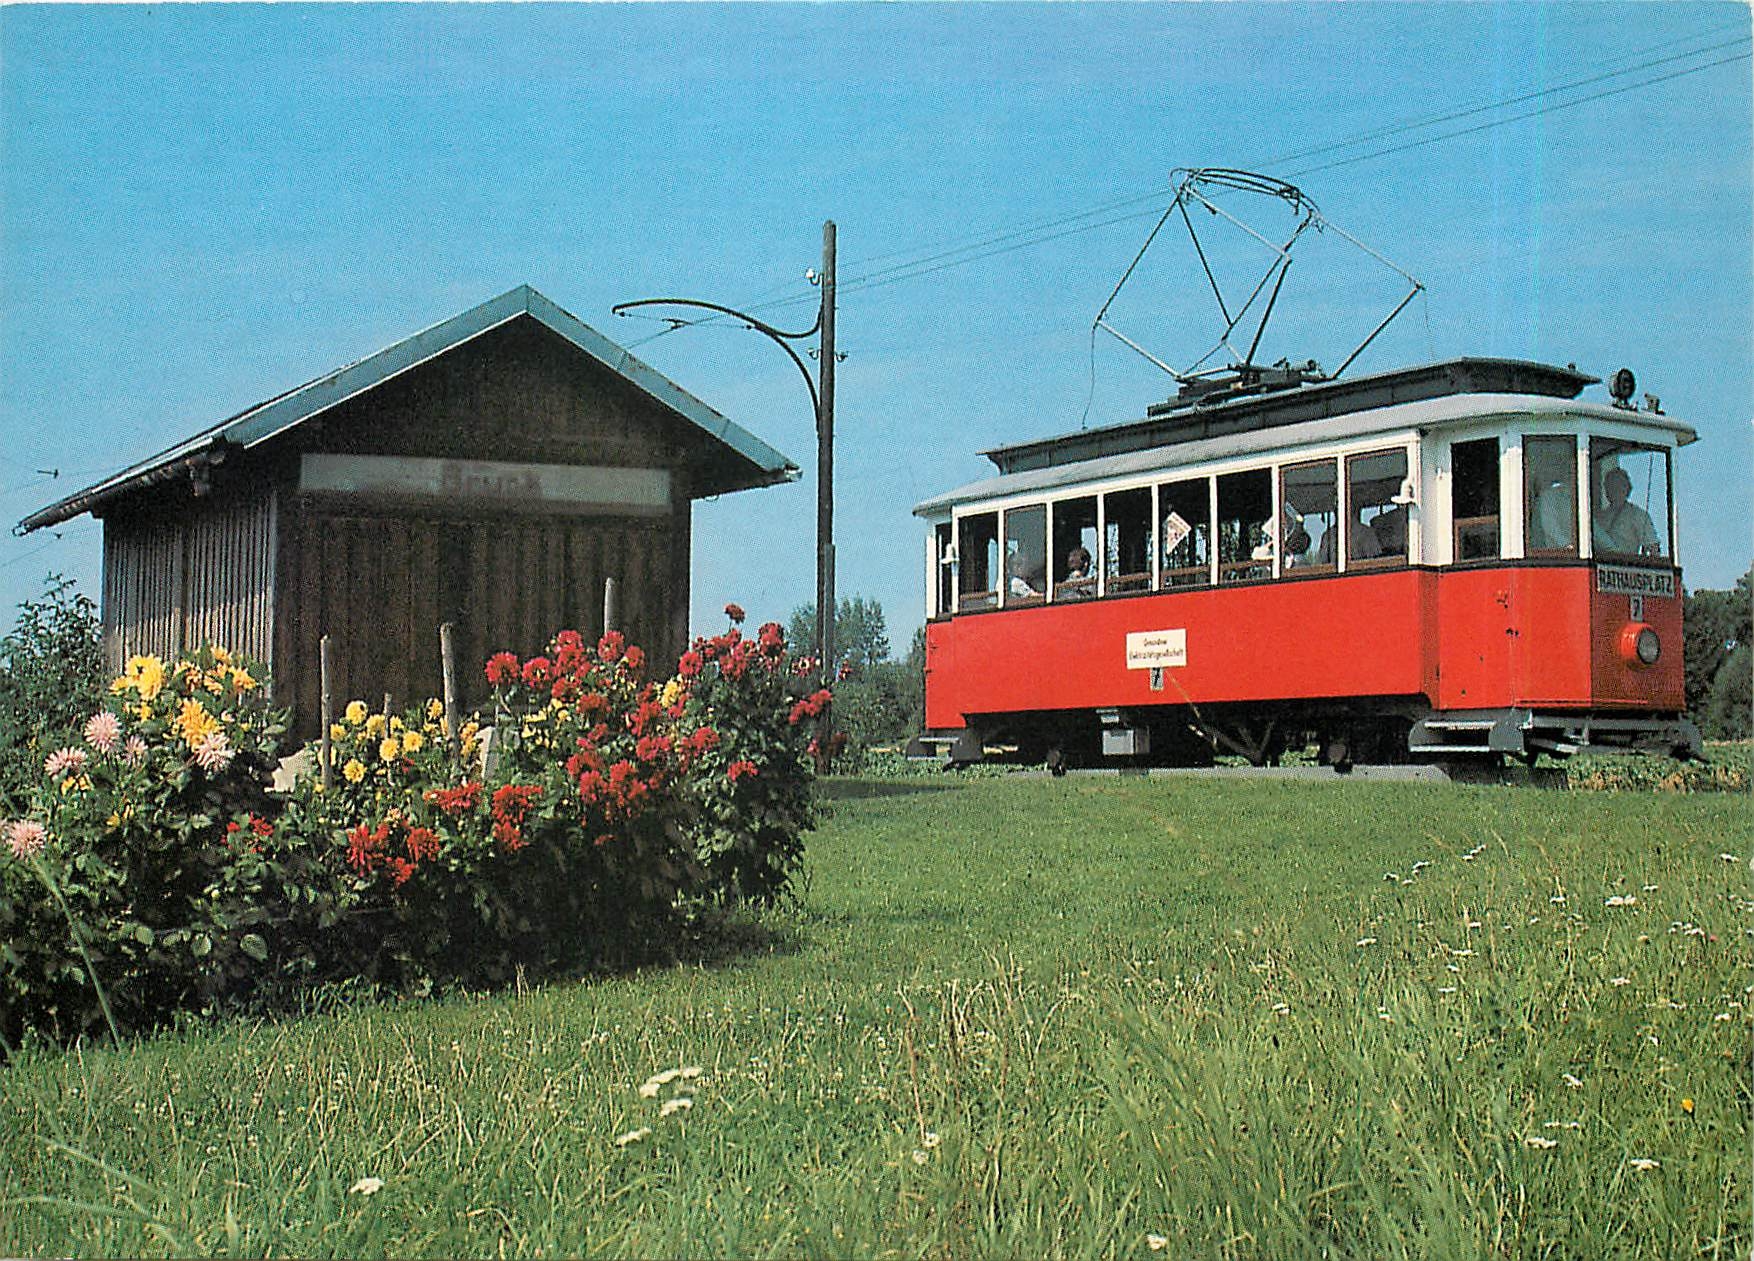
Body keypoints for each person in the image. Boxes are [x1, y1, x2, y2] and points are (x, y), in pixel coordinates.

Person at [1592, 467, 1660, 556]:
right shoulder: (1601, 516)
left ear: (1626, 488)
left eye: (1616, 485)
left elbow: (1653, 547)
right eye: (1609, 485)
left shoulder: (1637, 514)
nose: (1612, 489)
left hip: (1623, 561)